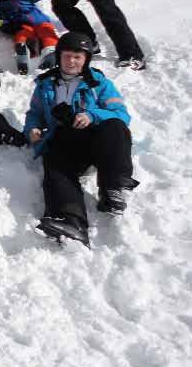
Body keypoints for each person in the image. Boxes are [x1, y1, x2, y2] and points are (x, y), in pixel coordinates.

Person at [25, 32, 138, 247]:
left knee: (115, 126)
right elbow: (34, 114)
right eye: (67, 56)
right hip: (65, 141)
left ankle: (112, 187)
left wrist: (92, 115)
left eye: (77, 57)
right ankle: (71, 221)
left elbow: (120, 113)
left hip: (97, 140)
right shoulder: (45, 84)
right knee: (54, 161)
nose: (71, 61)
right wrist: (33, 129)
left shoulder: (99, 83)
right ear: (59, 57)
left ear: (86, 59)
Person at [0, 0, 59, 74]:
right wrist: (6, 25)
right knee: (20, 37)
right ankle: (22, 61)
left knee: (47, 33)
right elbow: (2, 20)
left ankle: (50, 56)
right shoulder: (0, 6)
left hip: (41, 22)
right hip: (23, 26)